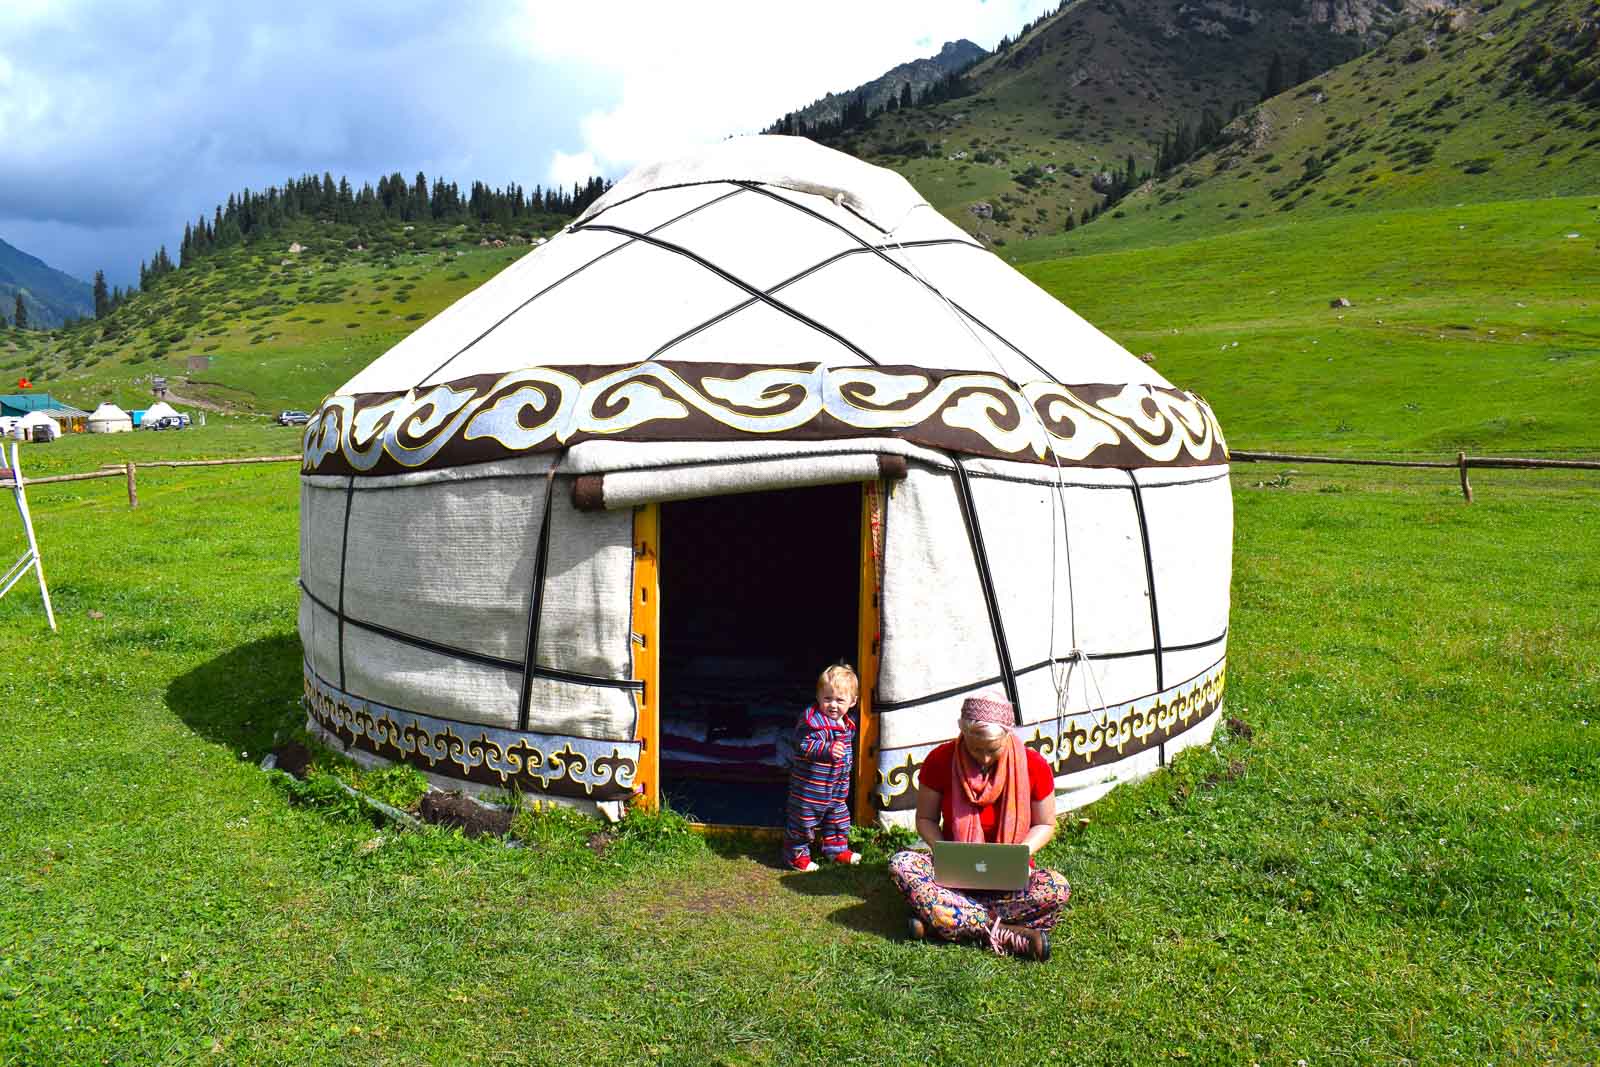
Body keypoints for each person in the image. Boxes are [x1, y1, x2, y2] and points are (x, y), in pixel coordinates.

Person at [887, 694, 1070, 961]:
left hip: (1011, 876)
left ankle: (944, 921)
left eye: (992, 749)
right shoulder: (940, 760)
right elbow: (925, 819)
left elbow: (1045, 823)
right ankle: (1006, 930)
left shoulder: (1033, 766)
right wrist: (943, 850)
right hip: (952, 875)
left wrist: (1017, 854)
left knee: (1057, 888)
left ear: (1008, 735)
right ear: (962, 734)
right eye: (975, 749)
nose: (984, 758)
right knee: (901, 864)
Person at [783, 664, 862, 872]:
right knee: (803, 822)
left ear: (852, 702)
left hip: (836, 788)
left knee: (838, 819)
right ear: (818, 697)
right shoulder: (812, 722)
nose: (833, 705)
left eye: (840, 700)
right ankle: (796, 855)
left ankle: (836, 850)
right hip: (810, 788)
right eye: (827, 699)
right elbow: (803, 744)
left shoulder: (848, 724)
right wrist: (826, 749)